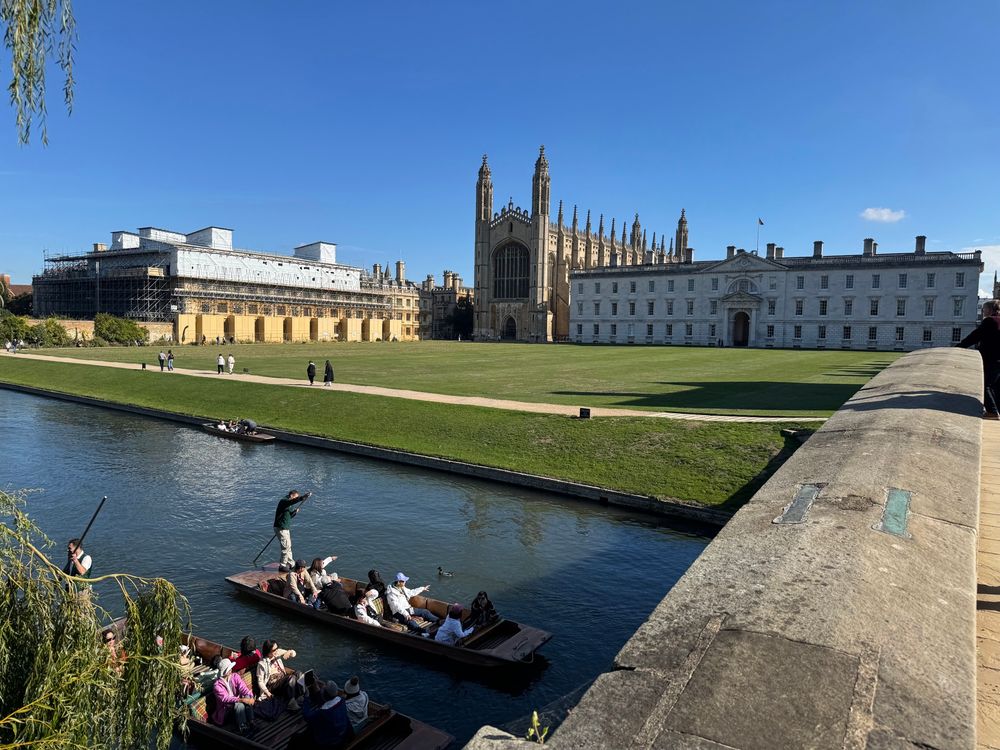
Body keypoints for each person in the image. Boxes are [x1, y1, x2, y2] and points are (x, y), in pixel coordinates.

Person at [958, 299, 1000, 419]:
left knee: (985, 385)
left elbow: (974, 337)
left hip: (991, 359)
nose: (983, 311)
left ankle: (992, 412)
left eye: (984, 309)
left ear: (991, 309)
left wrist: (959, 347)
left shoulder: (990, 321)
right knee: (996, 386)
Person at [291, 679, 353, 749]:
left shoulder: (323, 712)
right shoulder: (342, 701)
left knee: (295, 738)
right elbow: (327, 702)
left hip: (326, 744)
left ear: (325, 694)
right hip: (339, 738)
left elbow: (307, 716)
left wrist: (307, 698)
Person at [212, 658, 256, 736]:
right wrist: (241, 700)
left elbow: (243, 688)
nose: (231, 670)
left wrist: (250, 696)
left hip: (236, 707)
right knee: (239, 704)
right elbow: (226, 699)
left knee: (246, 697)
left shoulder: (235, 676)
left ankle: (251, 722)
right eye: (229, 669)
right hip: (226, 711)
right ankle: (243, 728)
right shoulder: (217, 686)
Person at [255, 640, 301, 705]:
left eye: (277, 648)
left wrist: (289, 651)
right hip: (272, 686)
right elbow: (260, 682)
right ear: (268, 651)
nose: (277, 650)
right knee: (291, 678)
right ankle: (291, 703)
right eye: (274, 650)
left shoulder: (277, 653)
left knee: (298, 673)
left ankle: (301, 696)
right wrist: (267, 693)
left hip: (282, 680)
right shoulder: (262, 664)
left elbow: (294, 654)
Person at [273, 490, 310, 568]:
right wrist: (302, 497)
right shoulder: (284, 501)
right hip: (281, 528)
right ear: (291, 495)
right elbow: (292, 501)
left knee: (289, 546)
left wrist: (294, 512)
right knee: (285, 547)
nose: (295, 499)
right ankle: (282, 565)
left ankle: (291, 563)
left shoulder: (289, 504)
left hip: (285, 528)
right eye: (295, 497)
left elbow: (289, 516)